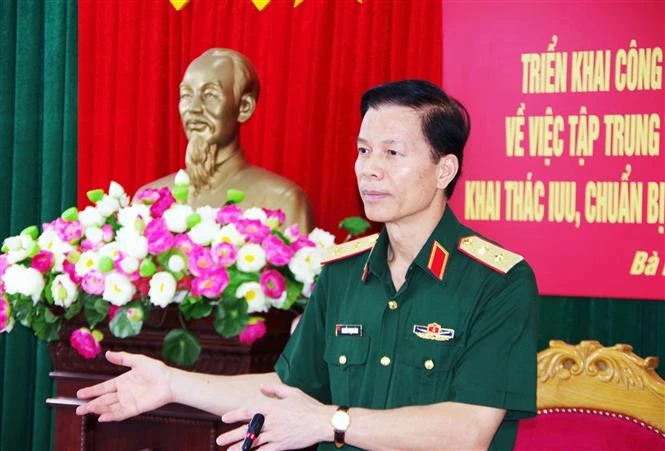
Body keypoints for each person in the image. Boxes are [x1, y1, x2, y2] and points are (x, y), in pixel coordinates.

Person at [77, 80, 538, 450]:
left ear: (444, 170)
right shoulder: (342, 273)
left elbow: (468, 431)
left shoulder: (496, 281)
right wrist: (174, 384)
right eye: (362, 150)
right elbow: (287, 390)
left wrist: (329, 423)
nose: (368, 168)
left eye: (392, 153)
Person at [138, 48, 315, 232]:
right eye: (186, 95)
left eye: (210, 95)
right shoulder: (148, 200)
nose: (193, 108)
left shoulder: (282, 202)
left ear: (244, 107)